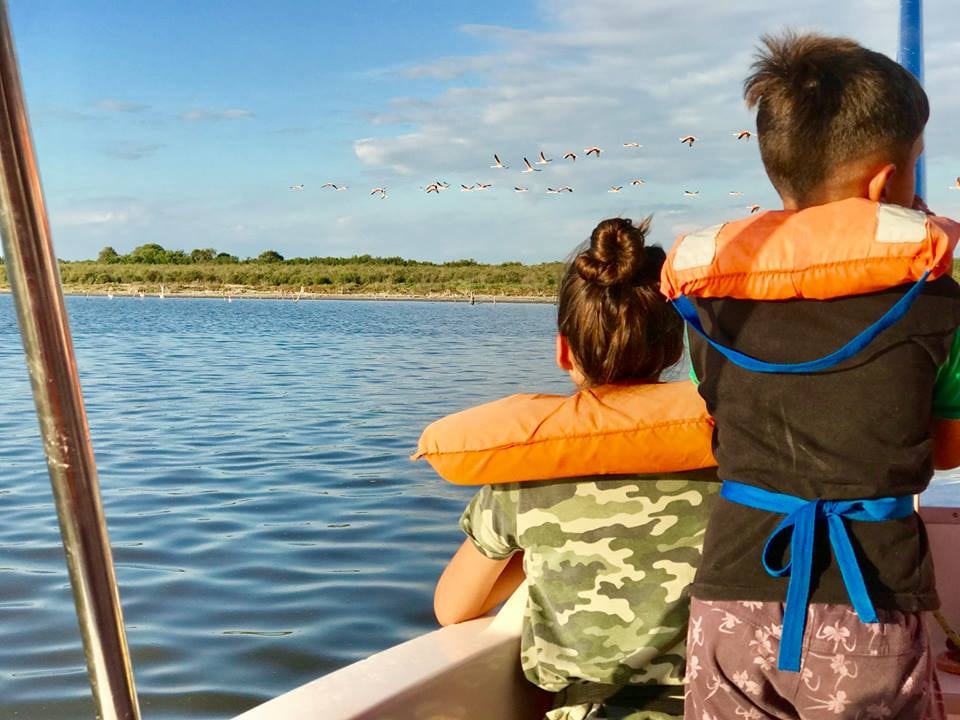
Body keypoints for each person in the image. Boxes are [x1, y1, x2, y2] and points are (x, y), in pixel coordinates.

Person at [660, 31, 960, 719]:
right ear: (888, 183)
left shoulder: (708, 302)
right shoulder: (940, 302)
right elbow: (946, 451)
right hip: (869, 604)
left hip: (729, 593)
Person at [430, 217, 720, 720]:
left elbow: (453, 607)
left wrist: (546, 546)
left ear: (565, 351)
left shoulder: (527, 473)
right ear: (675, 348)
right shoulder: (736, 461)